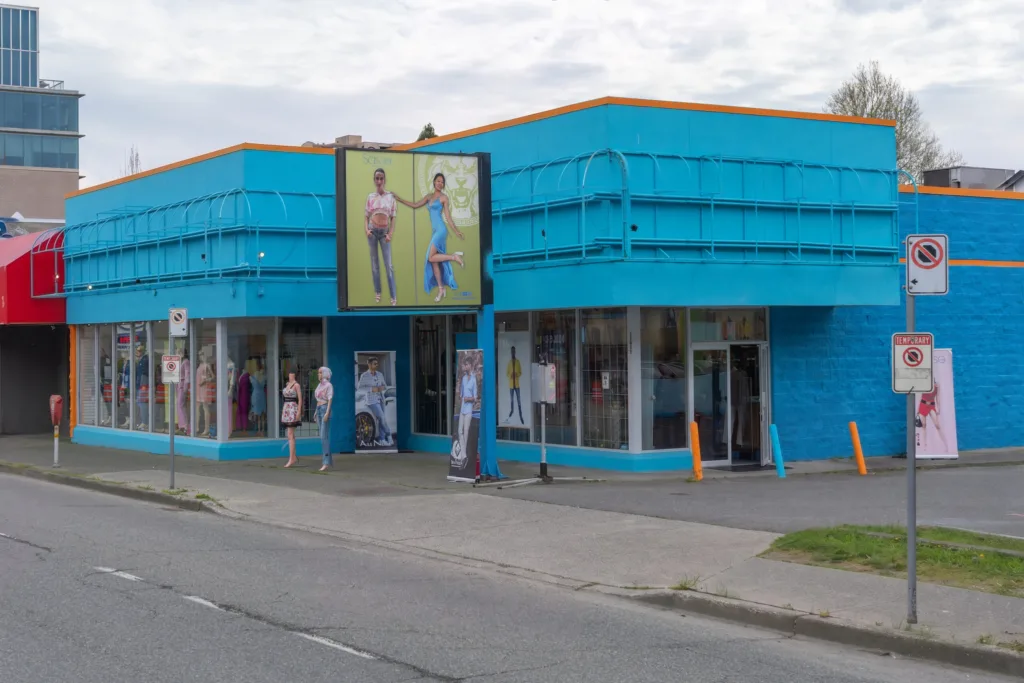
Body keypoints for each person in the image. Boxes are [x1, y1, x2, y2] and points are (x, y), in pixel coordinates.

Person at [395, 173, 465, 303]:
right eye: (438, 181)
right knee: (433, 261)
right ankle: (440, 288)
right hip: (435, 232)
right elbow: (415, 205)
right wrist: (400, 199)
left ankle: (454, 257)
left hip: (441, 230)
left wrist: (456, 231)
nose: (440, 183)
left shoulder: (444, 198)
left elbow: (448, 217)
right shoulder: (428, 197)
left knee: (430, 257)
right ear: (434, 182)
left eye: (442, 182)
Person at [365, 168, 398, 306]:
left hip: (384, 232)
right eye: (377, 178)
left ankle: (393, 295)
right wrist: (366, 229)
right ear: (374, 180)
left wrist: (390, 234)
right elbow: (366, 216)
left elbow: (393, 217)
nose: (379, 181)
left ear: (384, 180)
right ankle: (378, 292)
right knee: (374, 264)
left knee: (388, 265)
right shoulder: (370, 197)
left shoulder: (390, 197)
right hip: (373, 230)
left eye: (381, 178)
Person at [357, 356, 392, 447]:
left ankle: (382, 439)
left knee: (381, 419)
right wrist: (372, 389)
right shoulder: (364, 375)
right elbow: (360, 388)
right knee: (382, 417)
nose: (377, 365)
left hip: (381, 399)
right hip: (371, 400)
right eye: (374, 364)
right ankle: (389, 435)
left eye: (377, 363)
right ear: (369, 364)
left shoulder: (380, 374)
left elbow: (385, 386)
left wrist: (382, 388)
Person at [916, 382, 948, 452]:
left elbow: (938, 397)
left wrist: (938, 407)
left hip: (931, 405)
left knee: (937, 425)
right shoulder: (924, 384)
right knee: (924, 425)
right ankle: (924, 446)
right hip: (923, 404)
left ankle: (946, 445)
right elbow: (920, 395)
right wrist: (917, 409)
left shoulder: (937, 385)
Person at [314, 366, 334, 471]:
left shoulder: (328, 385)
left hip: (325, 408)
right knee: (323, 436)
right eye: (318, 373)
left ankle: (325, 461)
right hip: (319, 409)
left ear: (325, 373)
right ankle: (329, 460)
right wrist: (316, 412)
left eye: (321, 373)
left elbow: (330, 399)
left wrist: (327, 412)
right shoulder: (319, 385)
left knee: (323, 436)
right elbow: (318, 399)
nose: (319, 374)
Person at [281, 370, 303, 467]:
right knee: (290, 434)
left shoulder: (296, 385)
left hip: (292, 409)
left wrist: (298, 411)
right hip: (287, 408)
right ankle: (293, 456)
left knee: (290, 433)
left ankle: (291, 458)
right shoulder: (287, 384)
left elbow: (300, 399)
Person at [458, 357, 477, 459]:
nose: (466, 366)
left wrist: (468, 399)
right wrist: (462, 399)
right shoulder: (464, 379)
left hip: (469, 409)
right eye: (465, 365)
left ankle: (464, 453)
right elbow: (461, 394)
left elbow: (475, 397)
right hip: (462, 409)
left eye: (467, 365)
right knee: (459, 430)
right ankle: (462, 451)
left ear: (471, 366)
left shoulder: (473, 380)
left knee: (466, 431)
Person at [506, 346, 524, 425]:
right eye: (512, 351)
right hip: (511, 385)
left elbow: (520, 372)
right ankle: (511, 411)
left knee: (519, 400)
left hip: (517, 384)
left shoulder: (518, 362)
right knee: (512, 400)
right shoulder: (509, 363)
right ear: (511, 352)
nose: (513, 353)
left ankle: (521, 415)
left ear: (515, 352)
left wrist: (517, 374)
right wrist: (511, 375)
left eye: (514, 351)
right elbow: (507, 373)